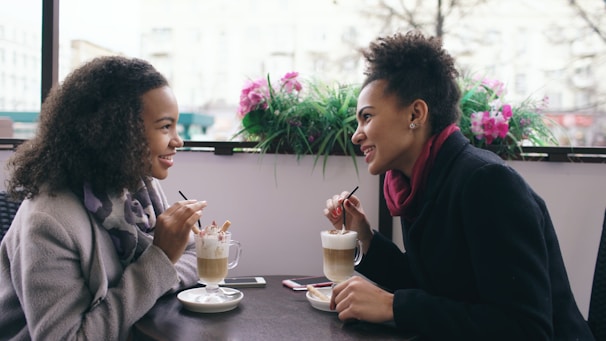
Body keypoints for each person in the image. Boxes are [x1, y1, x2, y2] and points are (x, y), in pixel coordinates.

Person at [323, 31, 594, 340]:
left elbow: (525, 328)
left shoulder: (487, 184)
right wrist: (365, 237)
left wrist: (395, 307)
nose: (357, 135)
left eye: (367, 117)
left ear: (416, 114)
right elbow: (433, 288)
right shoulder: (418, 183)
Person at [0, 56, 207, 340]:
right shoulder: (49, 222)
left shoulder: (137, 188)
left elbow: (194, 257)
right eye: (165, 127)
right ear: (119, 132)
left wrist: (160, 268)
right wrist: (159, 261)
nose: (178, 140)